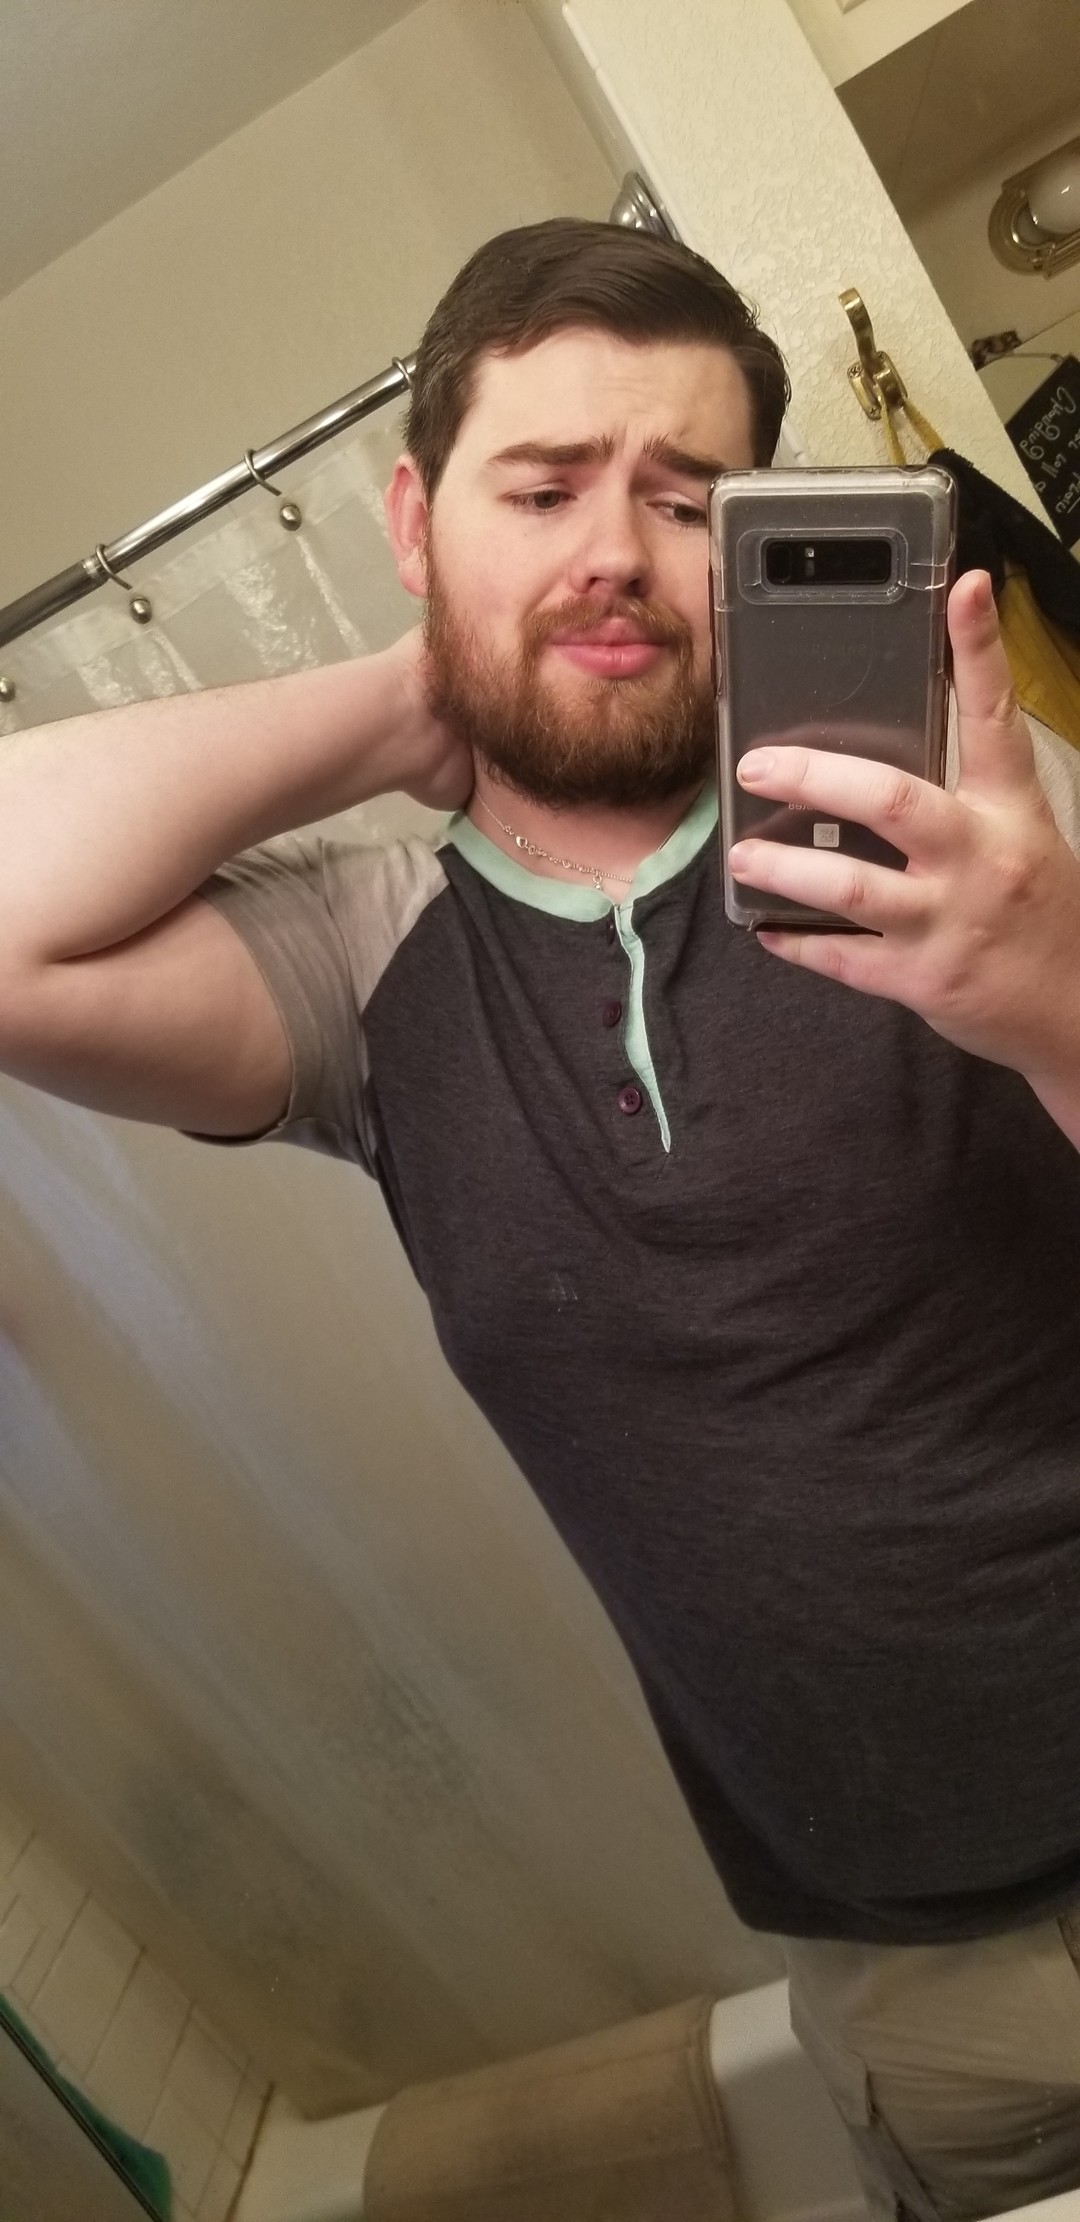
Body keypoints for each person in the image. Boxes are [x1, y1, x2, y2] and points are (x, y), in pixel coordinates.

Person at [5, 217, 1080, 2222]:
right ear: (416, 525)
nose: (614, 555)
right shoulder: (366, 967)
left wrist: (1055, 988)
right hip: (920, 1974)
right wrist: (401, 704)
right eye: (542, 488)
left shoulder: (970, 838)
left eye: (684, 499)